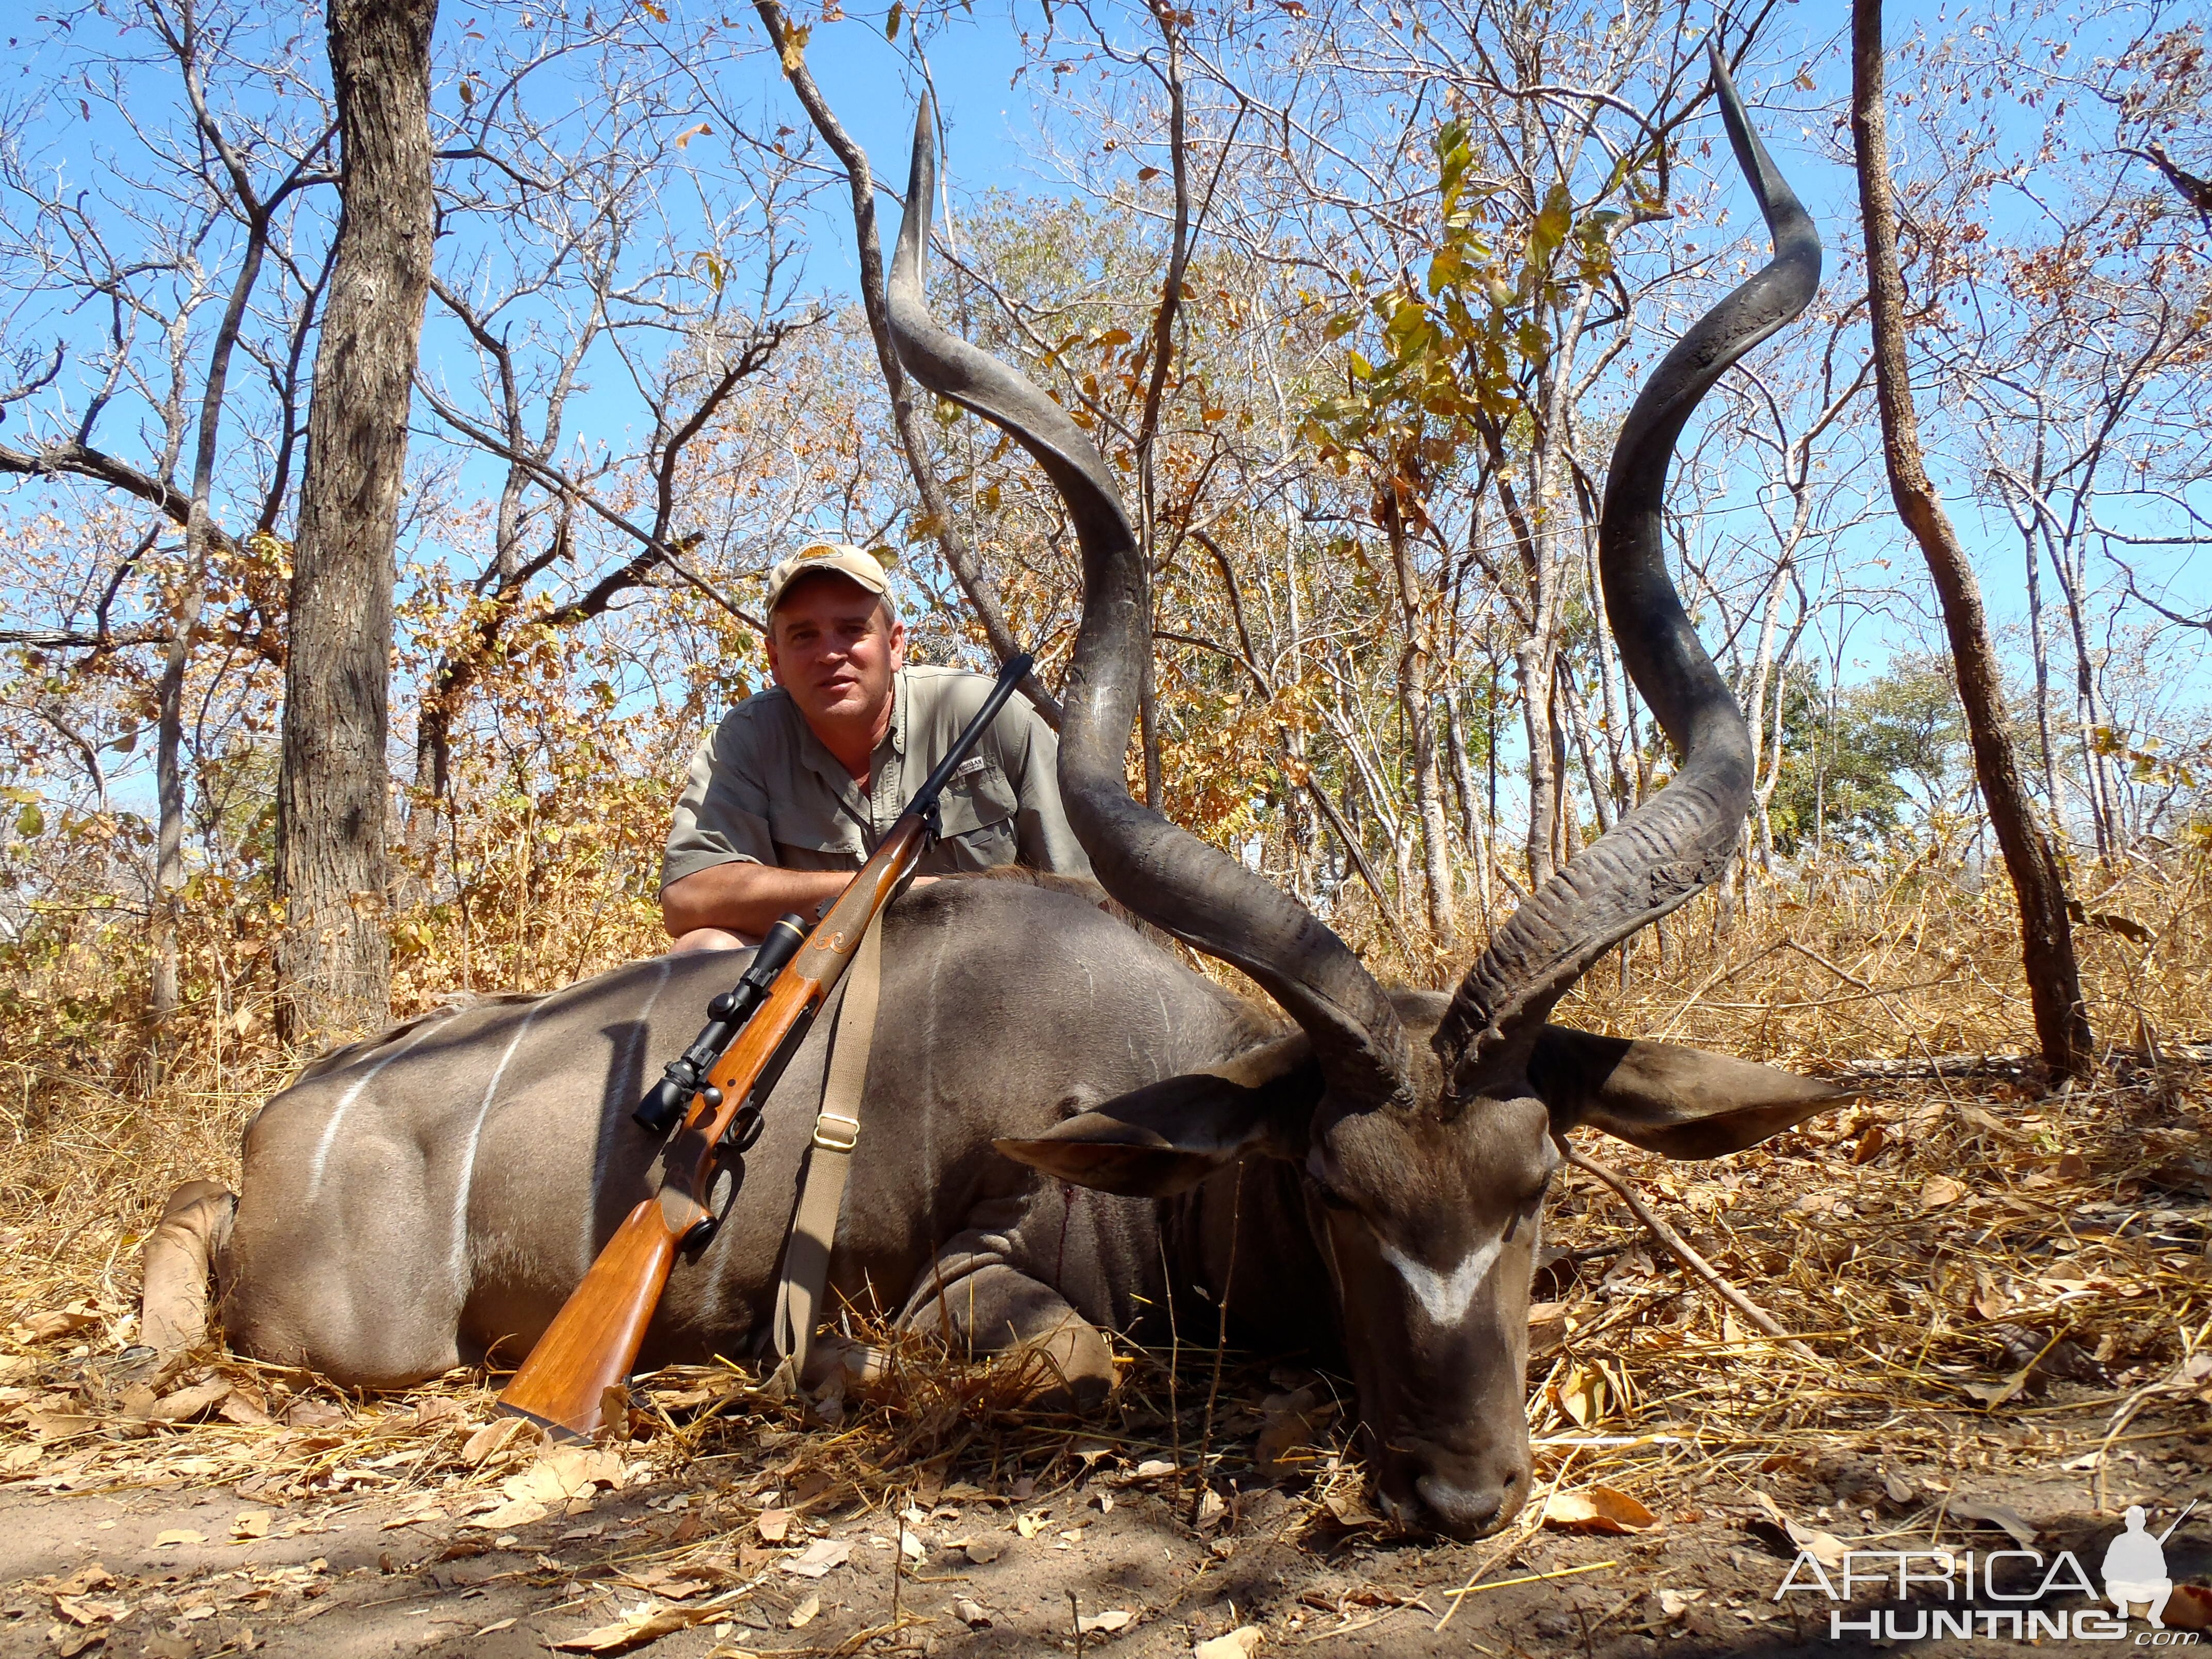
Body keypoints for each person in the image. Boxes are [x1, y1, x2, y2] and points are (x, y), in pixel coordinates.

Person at [661, 542, 1090, 950]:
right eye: (804, 636)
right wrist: (911, 894)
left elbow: (1086, 896)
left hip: (986, 973)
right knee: (702, 948)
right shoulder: (747, 738)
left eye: (852, 630)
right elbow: (689, 897)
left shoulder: (987, 716)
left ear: (895, 644)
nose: (829, 654)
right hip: (819, 985)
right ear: (775, 661)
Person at [2102, 1505, 2173, 1628]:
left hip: (2145, 1586)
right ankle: (2123, 1609)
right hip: (2123, 1585)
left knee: (2166, 1584)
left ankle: (2154, 1616)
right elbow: (2107, 1569)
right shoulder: (2119, 1541)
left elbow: (2162, 1570)